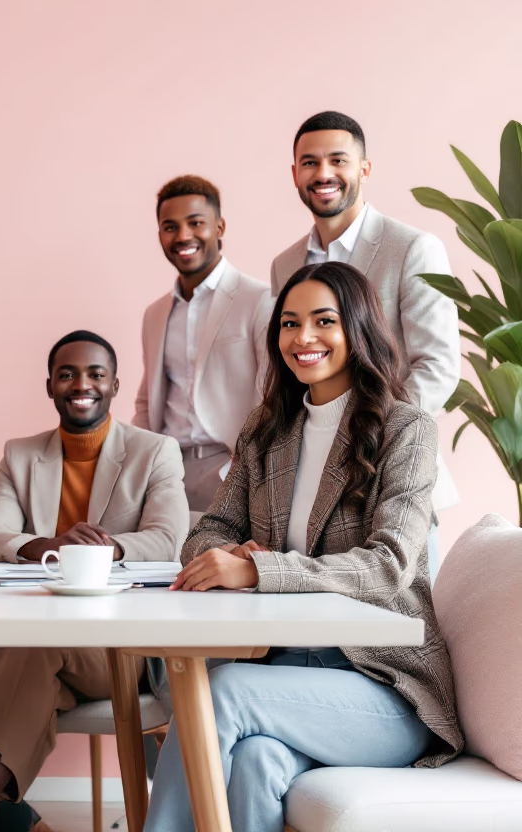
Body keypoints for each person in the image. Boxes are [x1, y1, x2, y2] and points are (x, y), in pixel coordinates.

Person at [143, 262, 463, 832]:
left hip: (383, 687)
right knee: (256, 763)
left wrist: (260, 572)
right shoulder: (267, 429)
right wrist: (233, 555)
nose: (303, 338)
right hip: (286, 673)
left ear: (357, 328)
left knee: (222, 690)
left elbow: (388, 565)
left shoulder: (405, 430)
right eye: (289, 324)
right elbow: (208, 532)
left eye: (323, 321)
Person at [0, 331, 189, 832]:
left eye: (95, 374)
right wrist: (52, 545)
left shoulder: (155, 451)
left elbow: (167, 541)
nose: (82, 384)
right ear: (49, 385)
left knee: (34, 643)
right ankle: (24, 826)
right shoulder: (21, 454)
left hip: (119, 650)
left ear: (115, 385)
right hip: (28, 651)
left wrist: (102, 549)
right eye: (68, 373)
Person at [271, 110, 461, 561]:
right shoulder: (285, 264)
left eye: (338, 160)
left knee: (396, 625)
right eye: (309, 162)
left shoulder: (413, 248)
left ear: (364, 168)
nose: (323, 173)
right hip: (306, 485)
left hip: (390, 478)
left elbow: (437, 367)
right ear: (295, 173)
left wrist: (371, 434)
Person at [134, 176, 272, 512]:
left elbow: (271, 394)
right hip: (168, 472)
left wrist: (240, 470)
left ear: (220, 226)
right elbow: (146, 402)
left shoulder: (259, 300)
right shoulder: (155, 314)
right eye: (170, 227)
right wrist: (139, 471)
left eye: (196, 223)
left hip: (231, 467)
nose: (183, 236)